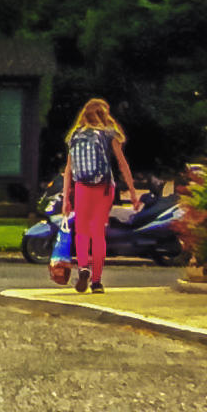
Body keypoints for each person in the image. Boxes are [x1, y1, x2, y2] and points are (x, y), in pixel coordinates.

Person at [58, 97, 135, 295]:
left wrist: (66, 198)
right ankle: (97, 281)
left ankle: (83, 267)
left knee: (81, 232)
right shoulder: (109, 135)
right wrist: (133, 192)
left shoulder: (75, 135)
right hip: (103, 188)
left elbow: (69, 169)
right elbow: (122, 164)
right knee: (98, 233)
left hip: (81, 187)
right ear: (104, 115)